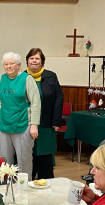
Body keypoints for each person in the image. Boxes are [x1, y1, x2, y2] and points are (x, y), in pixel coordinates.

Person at [0, 52, 41, 181]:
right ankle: (8, 187)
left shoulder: (27, 79)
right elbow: (0, 101)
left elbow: (36, 102)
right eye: (6, 64)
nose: (9, 66)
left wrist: (34, 125)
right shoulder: (3, 78)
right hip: (4, 124)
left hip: (22, 124)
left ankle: (24, 187)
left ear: (19, 65)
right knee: (5, 160)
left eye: (12, 63)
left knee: (23, 159)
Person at [25, 48, 63, 180]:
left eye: (37, 58)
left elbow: (59, 97)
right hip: (27, 123)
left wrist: (56, 120)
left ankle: (46, 183)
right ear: (27, 61)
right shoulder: (22, 77)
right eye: (31, 58)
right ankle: (29, 182)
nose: (34, 61)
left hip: (47, 123)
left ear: (42, 62)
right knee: (29, 154)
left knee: (45, 155)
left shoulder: (51, 76)